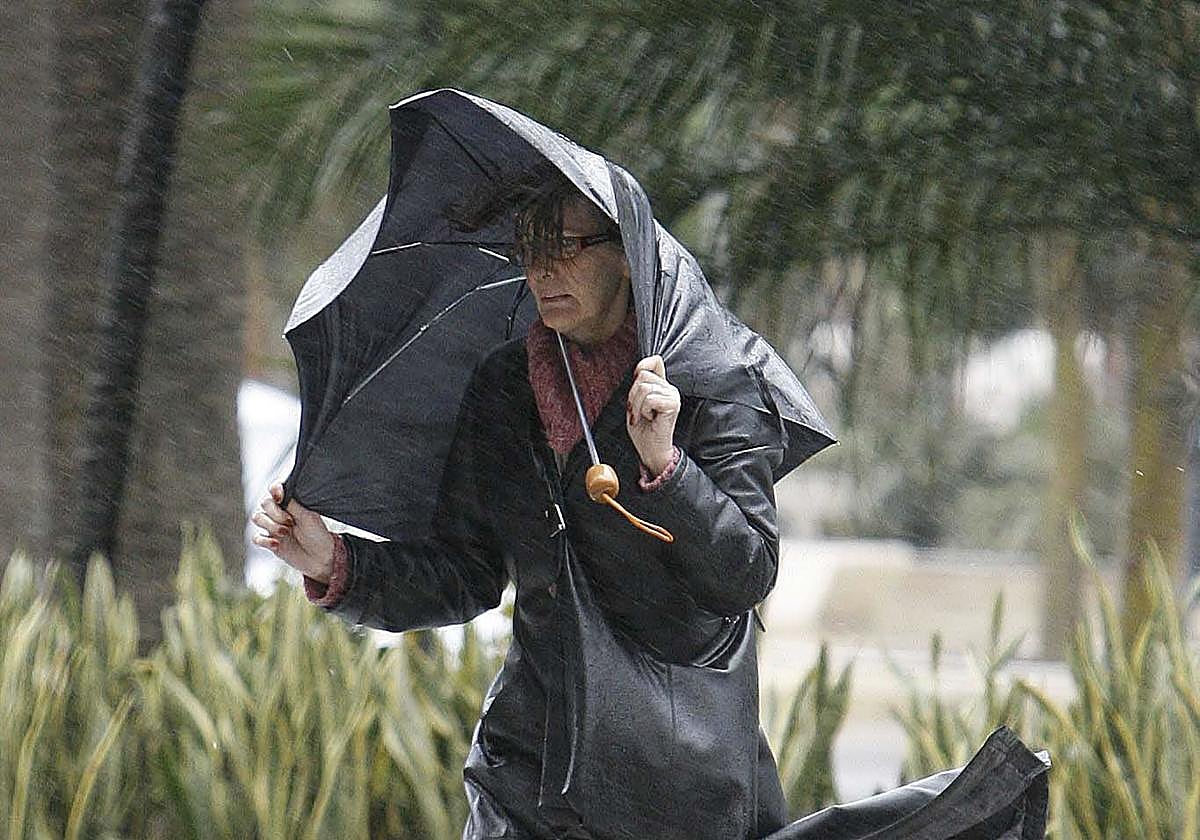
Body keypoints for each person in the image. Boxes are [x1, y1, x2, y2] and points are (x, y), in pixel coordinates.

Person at [253, 173, 792, 839]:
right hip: (527, 772)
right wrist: (336, 561)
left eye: (564, 246)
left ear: (626, 251)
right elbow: (465, 571)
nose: (542, 271)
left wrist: (667, 466)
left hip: (670, 782)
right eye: (529, 250)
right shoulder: (504, 387)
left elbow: (745, 574)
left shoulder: (714, 380)